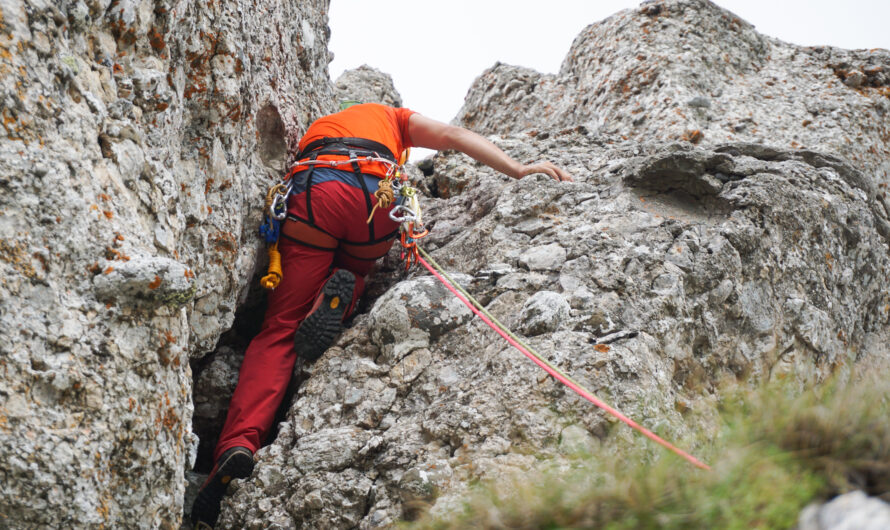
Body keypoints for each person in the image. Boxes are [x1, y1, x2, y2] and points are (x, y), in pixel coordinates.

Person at [190, 103, 572, 528]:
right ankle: (343, 294)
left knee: (278, 329)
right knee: (354, 269)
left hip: (321, 184)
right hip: (378, 200)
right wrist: (519, 169)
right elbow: (454, 136)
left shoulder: (323, 126)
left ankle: (238, 446)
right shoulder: (394, 119)